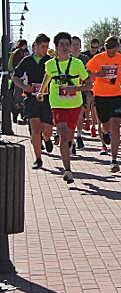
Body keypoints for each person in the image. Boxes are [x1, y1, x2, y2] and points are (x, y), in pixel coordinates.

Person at [37, 32, 90, 183]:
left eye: (67, 44)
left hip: (74, 105)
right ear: (56, 47)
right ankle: (67, 170)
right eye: (62, 44)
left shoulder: (77, 64)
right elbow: (47, 77)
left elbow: (89, 84)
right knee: (63, 136)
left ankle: (69, 143)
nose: (65, 47)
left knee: (69, 137)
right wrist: (41, 91)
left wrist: (75, 89)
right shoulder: (50, 64)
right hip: (57, 104)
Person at [11, 34, 53, 169]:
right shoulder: (27, 60)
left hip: (47, 99)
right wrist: (24, 87)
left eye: (47, 47)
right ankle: (38, 159)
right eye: (43, 46)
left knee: (47, 130)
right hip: (31, 98)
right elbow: (15, 77)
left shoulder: (50, 61)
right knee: (35, 129)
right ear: (36, 46)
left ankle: (47, 139)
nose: (45, 49)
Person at [86, 36, 121, 172]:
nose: (111, 50)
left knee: (116, 126)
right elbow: (87, 72)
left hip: (116, 95)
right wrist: (98, 74)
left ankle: (114, 160)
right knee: (106, 125)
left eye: (113, 47)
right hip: (100, 96)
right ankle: (104, 132)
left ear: (117, 48)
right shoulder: (98, 58)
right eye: (108, 47)